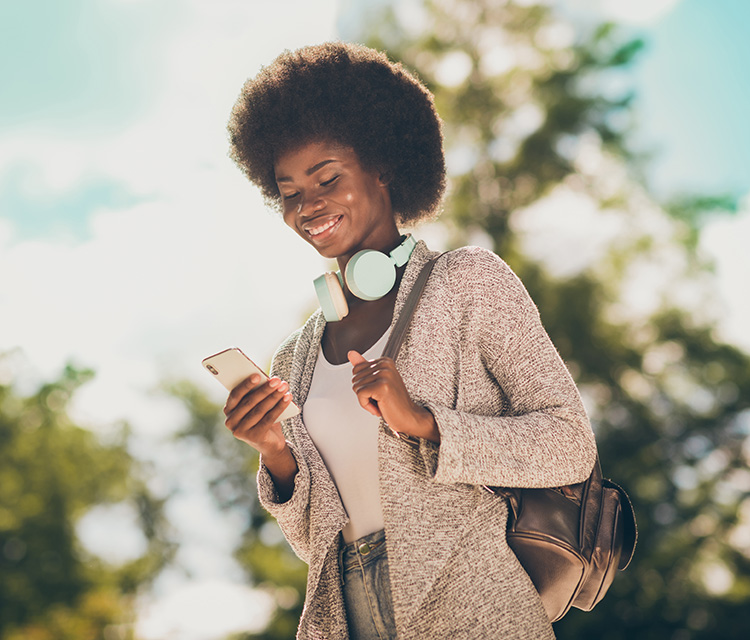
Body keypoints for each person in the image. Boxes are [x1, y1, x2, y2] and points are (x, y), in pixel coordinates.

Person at [223, 42, 597, 640]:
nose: (307, 206)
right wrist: (274, 451)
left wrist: (424, 421)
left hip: (472, 602)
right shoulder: (293, 357)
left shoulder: (467, 281)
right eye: (289, 191)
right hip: (346, 609)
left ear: (384, 166)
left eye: (326, 178)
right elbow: (313, 539)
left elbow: (570, 445)